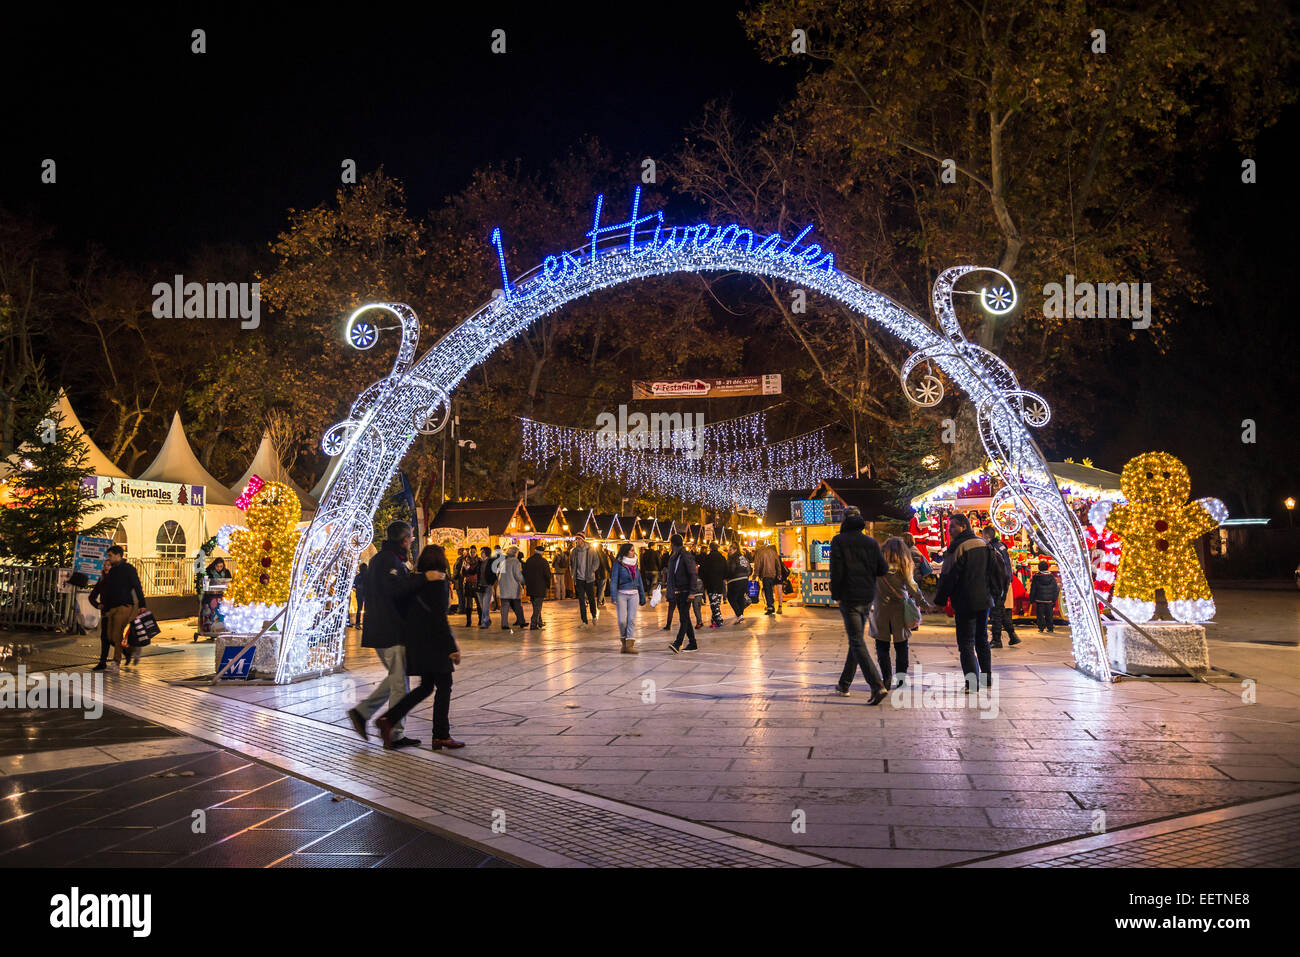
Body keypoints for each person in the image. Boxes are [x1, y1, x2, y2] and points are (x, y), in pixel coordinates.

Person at [347, 522, 445, 748]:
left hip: (388, 629)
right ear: (404, 539)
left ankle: (364, 714)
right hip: (389, 631)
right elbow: (395, 591)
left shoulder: (388, 559)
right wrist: (423, 578)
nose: (412, 540)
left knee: (396, 679)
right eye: (410, 537)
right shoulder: (388, 561)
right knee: (401, 684)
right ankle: (393, 733)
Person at [375, 545, 464, 751]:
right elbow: (439, 617)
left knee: (426, 686)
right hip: (436, 644)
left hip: (417, 644)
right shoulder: (439, 582)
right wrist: (452, 647)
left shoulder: (415, 582)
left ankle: (389, 718)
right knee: (444, 686)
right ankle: (441, 735)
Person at [829, 508, 889, 703]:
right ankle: (844, 683)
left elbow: (836, 571)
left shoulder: (839, 541)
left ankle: (876, 685)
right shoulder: (871, 542)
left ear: (844, 520)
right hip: (867, 596)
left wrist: (836, 594)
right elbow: (883, 569)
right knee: (856, 640)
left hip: (849, 597)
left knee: (856, 641)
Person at [933, 511, 997, 691]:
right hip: (985, 600)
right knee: (982, 639)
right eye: (948, 527)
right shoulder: (984, 544)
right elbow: (994, 571)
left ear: (963, 526)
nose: (950, 530)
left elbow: (948, 577)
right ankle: (987, 679)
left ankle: (972, 682)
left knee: (966, 642)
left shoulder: (956, 548)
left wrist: (940, 600)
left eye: (952, 526)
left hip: (965, 601)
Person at [873, 536, 929, 689]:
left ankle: (886, 678)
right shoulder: (904, 568)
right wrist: (924, 604)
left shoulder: (877, 568)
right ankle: (901, 680)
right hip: (899, 611)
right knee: (901, 645)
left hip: (881, 611)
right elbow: (914, 589)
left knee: (882, 645)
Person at [91, 545, 145, 671]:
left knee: (116, 634)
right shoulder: (113, 571)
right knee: (109, 636)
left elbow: (137, 586)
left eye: (110, 555)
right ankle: (130, 649)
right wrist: (106, 608)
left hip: (124, 606)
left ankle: (116, 662)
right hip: (112, 607)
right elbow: (109, 590)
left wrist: (142, 605)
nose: (108, 558)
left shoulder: (129, 569)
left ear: (118, 555)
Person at [981, 526, 1021, 647]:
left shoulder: (991, 548)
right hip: (1006, 582)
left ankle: (997, 640)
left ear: (987, 536)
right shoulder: (1001, 546)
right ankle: (1012, 635)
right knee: (1000, 609)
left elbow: (993, 568)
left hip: (997, 583)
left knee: (996, 611)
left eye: (983, 536)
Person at [663, 534, 701, 653]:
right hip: (678, 591)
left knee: (683, 618)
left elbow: (693, 574)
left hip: (686, 591)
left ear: (673, 544)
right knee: (685, 618)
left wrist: (692, 592)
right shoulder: (675, 557)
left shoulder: (685, 556)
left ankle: (678, 643)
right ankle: (693, 643)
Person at [610, 543, 646, 654]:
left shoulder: (635, 563)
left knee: (631, 620)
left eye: (633, 550)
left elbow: (639, 580)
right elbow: (614, 580)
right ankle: (624, 643)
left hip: (634, 594)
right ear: (625, 551)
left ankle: (629, 645)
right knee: (622, 621)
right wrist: (613, 596)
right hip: (622, 593)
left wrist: (642, 595)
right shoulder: (618, 564)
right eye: (631, 550)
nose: (633, 552)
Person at [570, 534, 600, 625]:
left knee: (591, 598)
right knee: (581, 600)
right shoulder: (574, 551)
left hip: (589, 578)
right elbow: (571, 564)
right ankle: (584, 620)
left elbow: (596, 561)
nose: (577, 541)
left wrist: (592, 570)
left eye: (578, 539)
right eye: (576, 539)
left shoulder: (591, 550)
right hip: (579, 579)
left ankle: (594, 616)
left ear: (582, 540)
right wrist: (573, 575)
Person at [496, 546, 527, 630]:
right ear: (515, 553)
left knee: (504, 606)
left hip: (503, 586)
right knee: (517, 605)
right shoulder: (515, 562)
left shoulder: (503, 561)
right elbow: (517, 575)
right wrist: (523, 581)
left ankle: (504, 624)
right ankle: (521, 622)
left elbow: (497, 573)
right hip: (513, 587)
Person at [524, 548, 552, 630]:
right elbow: (547, 575)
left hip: (531, 587)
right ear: (542, 553)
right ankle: (533, 624)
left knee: (535, 606)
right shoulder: (543, 561)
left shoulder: (529, 560)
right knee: (538, 607)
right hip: (540, 587)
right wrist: (548, 585)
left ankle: (539, 622)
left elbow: (525, 573)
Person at [701, 541, 728, 627]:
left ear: (710, 548)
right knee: (717, 602)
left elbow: (703, 571)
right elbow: (726, 571)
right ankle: (714, 620)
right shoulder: (722, 558)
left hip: (711, 584)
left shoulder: (707, 558)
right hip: (719, 583)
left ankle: (719, 620)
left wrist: (704, 581)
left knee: (713, 603)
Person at [1031, 560, 1060, 633]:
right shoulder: (1051, 577)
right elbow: (1055, 589)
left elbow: (1033, 588)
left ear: (1039, 568)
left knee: (1040, 615)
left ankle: (1041, 627)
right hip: (1049, 600)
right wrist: (1054, 599)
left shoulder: (1036, 577)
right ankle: (1050, 627)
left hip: (1039, 599)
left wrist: (1031, 598)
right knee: (1049, 614)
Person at [725, 546, 752, 623]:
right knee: (740, 597)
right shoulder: (743, 557)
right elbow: (749, 569)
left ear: (735, 549)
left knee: (730, 597)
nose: (729, 551)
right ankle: (740, 615)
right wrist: (746, 576)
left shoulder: (732, 558)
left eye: (730, 550)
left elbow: (731, 569)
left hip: (735, 580)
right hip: (745, 580)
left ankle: (739, 614)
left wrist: (727, 576)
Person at [754, 541, 781, 616]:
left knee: (767, 591)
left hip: (765, 574)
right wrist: (779, 573)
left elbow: (757, 565)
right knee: (770, 590)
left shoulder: (760, 553)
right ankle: (771, 605)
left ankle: (770, 607)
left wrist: (754, 575)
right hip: (773, 574)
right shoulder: (773, 552)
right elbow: (778, 563)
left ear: (759, 545)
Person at [459, 548, 480, 627]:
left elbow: (477, 571)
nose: (472, 553)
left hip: (476, 582)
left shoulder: (479, 561)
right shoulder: (465, 561)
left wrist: (468, 569)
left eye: (473, 552)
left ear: (476, 552)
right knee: (468, 603)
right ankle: (468, 621)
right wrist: (464, 569)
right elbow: (462, 573)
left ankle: (480, 619)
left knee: (478, 602)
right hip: (468, 582)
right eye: (471, 552)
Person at [477, 546, 495, 628]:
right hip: (480, 586)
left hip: (487, 586)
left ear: (486, 553)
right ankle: (487, 620)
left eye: (482, 552)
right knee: (482, 606)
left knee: (485, 605)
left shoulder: (491, 562)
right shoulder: (479, 562)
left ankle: (484, 622)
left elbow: (494, 574)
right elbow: (475, 572)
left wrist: (491, 583)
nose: (481, 553)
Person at [351, 561, 367, 628]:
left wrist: (358, 587)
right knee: (366, 609)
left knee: (359, 609)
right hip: (365, 594)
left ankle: (358, 623)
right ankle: (365, 623)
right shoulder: (368, 576)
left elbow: (354, 585)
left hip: (359, 594)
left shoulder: (358, 576)